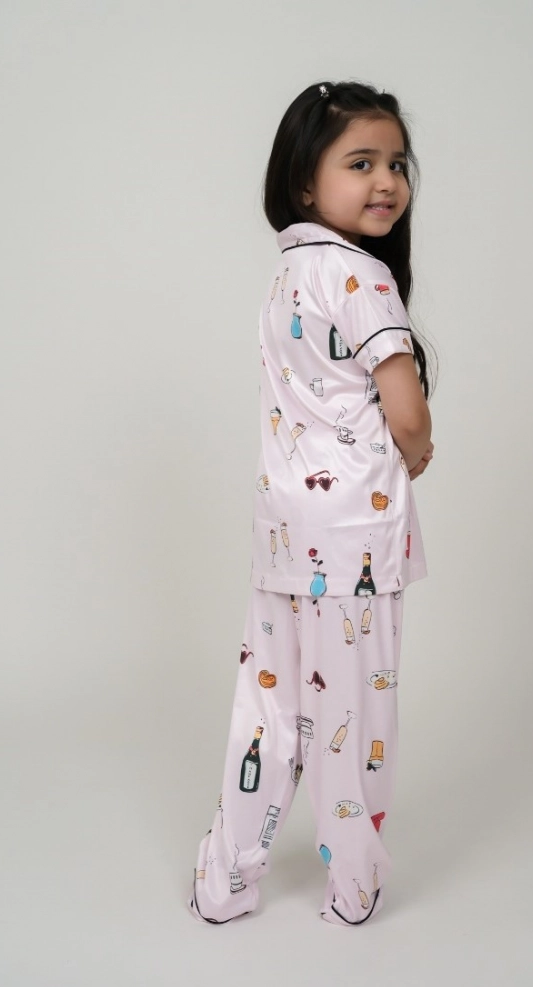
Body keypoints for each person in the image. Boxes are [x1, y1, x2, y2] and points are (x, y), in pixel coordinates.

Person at [188, 80, 437, 927]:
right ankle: (354, 887)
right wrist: (417, 452)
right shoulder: (363, 276)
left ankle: (225, 880)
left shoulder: (286, 275)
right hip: (354, 537)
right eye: (360, 163)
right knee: (351, 717)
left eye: (396, 163)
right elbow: (406, 412)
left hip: (284, 534)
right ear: (305, 181)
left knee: (269, 710)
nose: (387, 181)